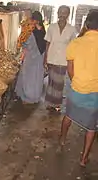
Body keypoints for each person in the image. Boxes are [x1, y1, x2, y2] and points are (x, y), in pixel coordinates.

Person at [59, 11, 98, 167]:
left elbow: (70, 69)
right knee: (91, 127)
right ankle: (83, 159)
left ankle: (62, 139)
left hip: (77, 88)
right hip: (95, 92)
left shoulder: (76, 43)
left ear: (86, 24)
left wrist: (77, 81)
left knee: (68, 116)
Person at [44, 5, 77, 112]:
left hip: (63, 60)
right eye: (61, 12)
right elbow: (48, 43)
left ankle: (56, 103)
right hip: (51, 58)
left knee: (59, 83)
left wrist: (72, 61)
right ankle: (49, 103)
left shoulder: (72, 29)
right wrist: (45, 58)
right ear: (58, 13)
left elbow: (73, 46)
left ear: (68, 14)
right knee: (51, 82)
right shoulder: (52, 27)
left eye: (65, 12)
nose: (62, 14)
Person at [15, 11, 46, 104]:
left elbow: (24, 43)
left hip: (31, 57)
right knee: (37, 77)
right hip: (40, 56)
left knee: (28, 77)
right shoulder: (43, 29)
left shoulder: (29, 28)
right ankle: (34, 97)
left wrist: (22, 54)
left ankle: (28, 97)